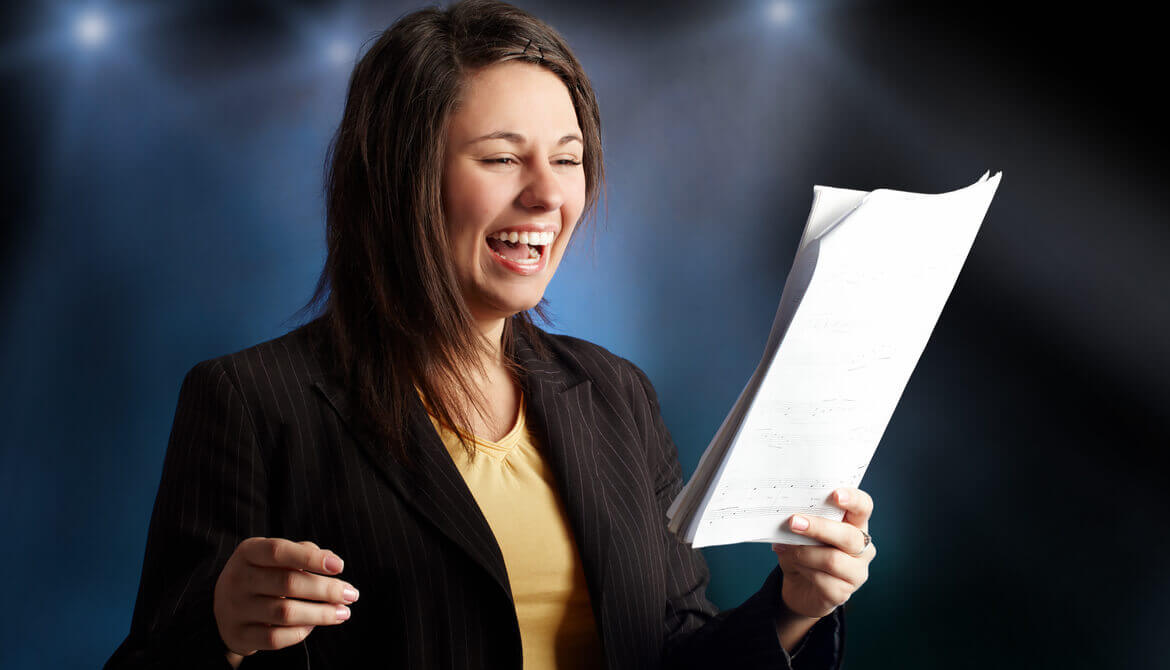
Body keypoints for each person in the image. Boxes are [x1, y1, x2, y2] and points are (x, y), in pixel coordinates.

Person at [105, 1, 876, 668]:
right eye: (502, 158)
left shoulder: (617, 395)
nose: (547, 194)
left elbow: (669, 650)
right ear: (402, 178)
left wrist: (793, 606)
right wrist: (220, 630)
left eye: (568, 160)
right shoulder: (252, 402)